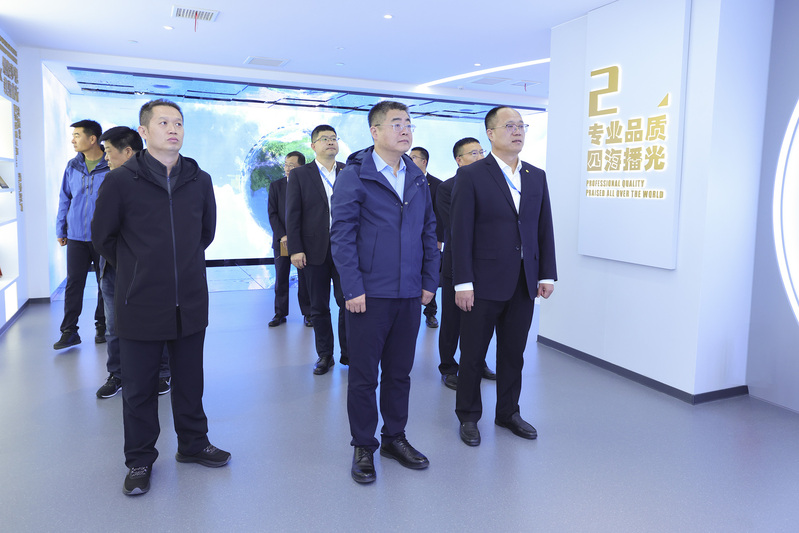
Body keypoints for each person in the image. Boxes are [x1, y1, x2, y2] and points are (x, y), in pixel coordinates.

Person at [92, 99, 230, 496]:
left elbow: (206, 233)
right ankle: (139, 459)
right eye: (164, 122)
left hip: (190, 298)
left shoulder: (198, 179)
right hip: (140, 300)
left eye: (179, 123)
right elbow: (103, 237)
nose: (173, 129)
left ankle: (193, 444)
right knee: (139, 388)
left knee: (190, 381)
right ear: (145, 131)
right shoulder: (121, 181)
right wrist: (139, 268)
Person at [331, 101, 439, 484]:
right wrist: (352, 287)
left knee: (399, 373)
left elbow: (429, 229)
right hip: (368, 294)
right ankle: (364, 445)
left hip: (409, 293)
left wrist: (429, 280)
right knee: (364, 376)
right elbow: (342, 235)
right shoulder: (355, 175)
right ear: (375, 131)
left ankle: (395, 437)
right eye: (396, 123)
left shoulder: (417, 176)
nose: (405, 129)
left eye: (408, 123)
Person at [451, 107, 556, 447]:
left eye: (521, 126)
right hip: (482, 282)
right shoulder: (472, 175)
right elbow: (460, 233)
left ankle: (508, 412)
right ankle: (469, 416)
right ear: (491, 133)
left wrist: (547, 273)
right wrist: (462, 282)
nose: (517, 131)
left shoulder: (536, 175)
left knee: (513, 354)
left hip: (524, 281)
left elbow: (543, 227)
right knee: (473, 354)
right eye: (509, 126)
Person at [94, 126, 171, 399]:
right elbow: (101, 234)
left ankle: (162, 373)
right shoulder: (111, 181)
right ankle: (118, 374)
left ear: (127, 151)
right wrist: (124, 262)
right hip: (114, 267)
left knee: (158, 320)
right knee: (114, 324)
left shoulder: (161, 179)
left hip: (151, 269)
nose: (105, 158)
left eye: (108, 152)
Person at [286, 125, 349, 374]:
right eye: (324, 139)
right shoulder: (300, 175)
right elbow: (293, 214)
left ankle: (349, 353)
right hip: (313, 250)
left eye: (334, 138)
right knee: (319, 306)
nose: (330, 142)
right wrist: (295, 249)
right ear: (313, 146)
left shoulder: (349, 171)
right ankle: (325, 355)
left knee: (348, 302)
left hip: (345, 249)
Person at [435, 138, 495, 390]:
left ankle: (477, 362)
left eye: (481, 151)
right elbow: (457, 226)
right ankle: (448, 367)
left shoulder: (494, 185)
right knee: (452, 320)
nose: (480, 156)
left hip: (487, 265)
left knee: (482, 320)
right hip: (457, 263)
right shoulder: (447, 188)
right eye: (473, 153)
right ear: (459, 160)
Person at [54, 120, 109, 349]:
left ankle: (102, 326)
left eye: (77, 135)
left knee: (104, 283)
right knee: (74, 284)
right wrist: (61, 228)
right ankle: (69, 331)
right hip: (76, 236)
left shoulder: (110, 165)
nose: (73, 140)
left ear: (92, 139)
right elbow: (64, 198)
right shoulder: (72, 166)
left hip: (103, 237)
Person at [267, 151, 312, 328]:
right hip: (283, 241)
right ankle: (280, 313)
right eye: (286, 164)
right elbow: (272, 214)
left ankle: (308, 313)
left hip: (302, 240)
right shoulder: (276, 186)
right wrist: (283, 235)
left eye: (292, 166)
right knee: (281, 277)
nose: (287, 168)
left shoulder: (307, 185)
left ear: (302, 167)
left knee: (304, 279)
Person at [410, 146, 443, 328]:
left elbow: (440, 215)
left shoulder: (437, 185)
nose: (409, 159)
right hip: (410, 238)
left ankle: (430, 313)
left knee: (430, 274)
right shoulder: (406, 180)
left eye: (413, 157)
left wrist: (438, 240)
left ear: (424, 161)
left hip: (430, 239)